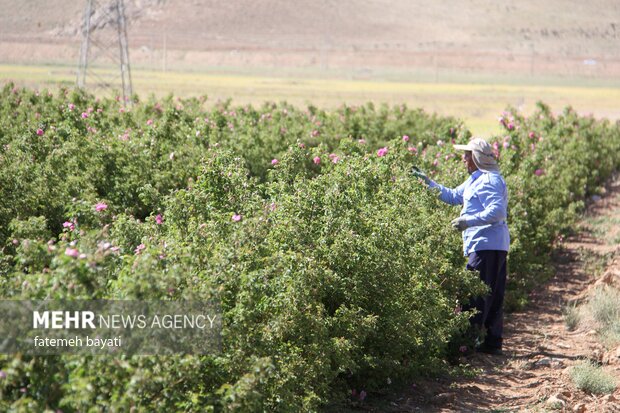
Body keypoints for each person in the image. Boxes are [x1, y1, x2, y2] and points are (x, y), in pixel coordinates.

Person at [413, 137, 510, 355]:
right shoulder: (475, 180)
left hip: (488, 245)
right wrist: (428, 183)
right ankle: (490, 343)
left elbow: (497, 212)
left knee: (474, 293)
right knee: (488, 292)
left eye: (467, 155)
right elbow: (454, 196)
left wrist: (468, 221)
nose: (464, 159)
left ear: (477, 158)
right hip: (485, 244)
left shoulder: (490, 180)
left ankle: (466, 344)